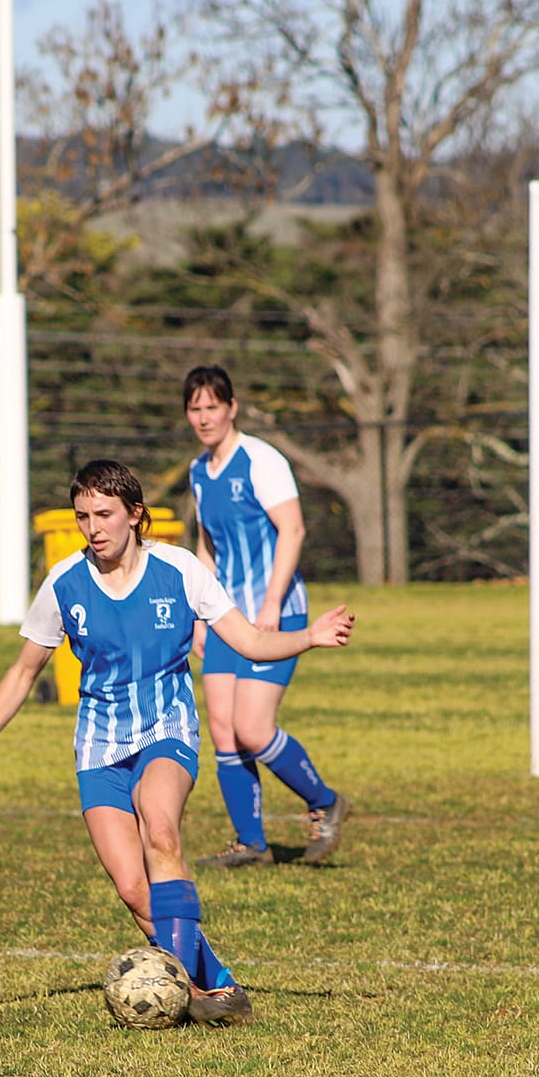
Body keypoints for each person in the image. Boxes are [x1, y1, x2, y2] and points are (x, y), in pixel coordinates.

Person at [0, 459, 354, 1026]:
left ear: (135, 515)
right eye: (82, 517)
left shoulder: (180, 570)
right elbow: (25, 670)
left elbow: (246, 641)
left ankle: (174, 983)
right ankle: (215, 985)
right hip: (99, 749)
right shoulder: (64, 583)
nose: (92, 528)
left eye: (104, 514)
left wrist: (309, 637)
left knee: (160, 826)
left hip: (167, 731)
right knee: (132, 889)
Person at [181, 365, 351, 868]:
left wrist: (273, 602)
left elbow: (293, 531)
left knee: (254, 729)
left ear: (232, 408)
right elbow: (206, 547)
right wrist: (197, 617)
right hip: (225, 618)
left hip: (276, 615)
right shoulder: (198, 471)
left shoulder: (261, 460)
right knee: (223, 731)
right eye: (195, 408)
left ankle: (326, 802)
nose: (204, 417)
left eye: (213, 406)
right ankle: (251, 844)